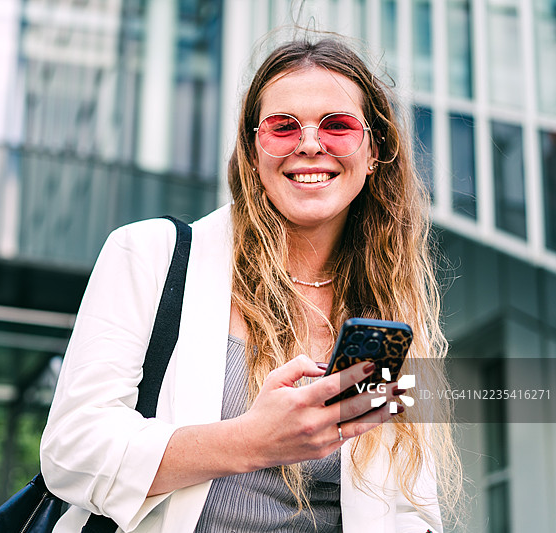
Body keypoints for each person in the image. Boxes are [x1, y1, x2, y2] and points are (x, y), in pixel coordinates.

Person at [40, 37, 461, 533]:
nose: (309, 144)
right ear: (253, 151)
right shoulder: (151, 255)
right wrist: (250, 441)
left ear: (373, 154)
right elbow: (72, 450)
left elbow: (409, 509)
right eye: (283, 127)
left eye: (339, 126)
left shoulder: (381, 316)